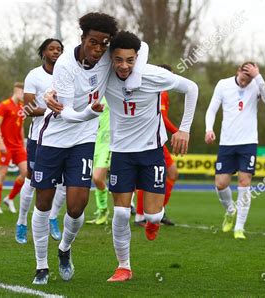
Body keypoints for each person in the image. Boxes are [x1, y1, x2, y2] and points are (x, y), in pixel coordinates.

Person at [30, 12, 148, 285]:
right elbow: (67, 113)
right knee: (44, 203)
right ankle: (40, 266)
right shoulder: (64, 66)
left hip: (83, 141)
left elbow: (142, 48)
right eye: (93, 42)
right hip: (54, 139)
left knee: (76, 205)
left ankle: (64, 249)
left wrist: (118, 44)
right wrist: (90, 113)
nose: (98, 49)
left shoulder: (108, 56)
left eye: (104, 43)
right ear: (82, 39)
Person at [104, 31, 198, 282]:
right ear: (110, 58)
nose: (124, 66)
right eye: (118, 60)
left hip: (151, 151)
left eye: (130, 60)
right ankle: (123, 266)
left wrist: (185, 129)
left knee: (153, 214)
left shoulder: (154, 75)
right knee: (122, 213)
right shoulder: (104, 75)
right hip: (121, 152)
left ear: (138, 59)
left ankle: (155, 220)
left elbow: (191, 88)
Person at [204, 62, 265, 239]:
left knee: (244, 182)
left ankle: (239, 228)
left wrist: (258, 77)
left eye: (247, 81)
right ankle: (230, 210)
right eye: (242, 79)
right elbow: (212, 109)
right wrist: (209, 129)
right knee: (220, 184)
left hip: (248, 142)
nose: (244, 83)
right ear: (238, 72)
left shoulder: (257, 84)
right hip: (227, 143)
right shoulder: (223, 84)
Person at [15, 38, 66, 244]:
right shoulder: (34, 75)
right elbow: (26, 110)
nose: (56, 52)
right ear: (43, 52)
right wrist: (51, 109)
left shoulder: (69, 75)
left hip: (65, 137)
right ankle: (21, 222)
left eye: (59, 49)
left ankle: (53, 218)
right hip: (39, 138)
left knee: (64, 183)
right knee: (32, 181)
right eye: (52, 49)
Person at [135, 64, 179, 226]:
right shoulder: (160, 91)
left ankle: (157, 210)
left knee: (170, 174)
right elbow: (162, 117)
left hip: (155, 139)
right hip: (151, 140)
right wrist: (177, 131)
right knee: (151, 177)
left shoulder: (160, 91)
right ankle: (142, 215)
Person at [0, 82, 28, 214]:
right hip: (5, 146)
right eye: (23, 92)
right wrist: (0, 143)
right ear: (17, 91)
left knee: (27, 173)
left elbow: (21, 127)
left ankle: (10, 198)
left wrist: (23, 145)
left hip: (18, 146)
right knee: (1, 174)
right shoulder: (4, 105)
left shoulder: (22, 107)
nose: (24, 95)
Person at [87, 96, 111, 225]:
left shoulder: (111, 94)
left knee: (97, 178)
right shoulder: (92, 95)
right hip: (92, 141)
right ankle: (101, 210)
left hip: (107, 142)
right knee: (95, 179)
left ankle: (103, 210)